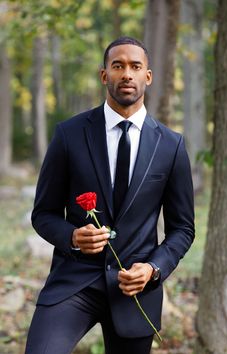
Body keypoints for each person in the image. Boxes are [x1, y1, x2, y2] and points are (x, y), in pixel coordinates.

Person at [25, 36, 194, 354]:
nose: (126, 74)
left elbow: (183, 229)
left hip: (135, 289)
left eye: (135, 66)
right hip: (74, 282)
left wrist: (153, 269)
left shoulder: (171, 146)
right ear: (105, 75)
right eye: (118, 66)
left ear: (148, 76)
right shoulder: (69, 134)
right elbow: (43, 214)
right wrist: (73, 236)